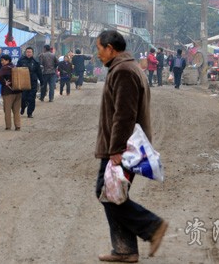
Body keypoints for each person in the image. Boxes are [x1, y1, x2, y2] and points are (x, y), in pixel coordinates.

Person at [94, 30, 168, 262]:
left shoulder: (124, 71)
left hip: (123, 148)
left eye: (99, 49)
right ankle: (125, 249)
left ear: (110, 48)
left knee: (107, 192)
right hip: (122, 146)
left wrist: (116, 150)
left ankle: (152, 226)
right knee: (113, 194)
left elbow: (124, 115)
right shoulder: (124, 68)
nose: (97, 54)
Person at [0, 54, 22, 130]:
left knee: (7, 110)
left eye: (3, 60)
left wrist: (4, 83)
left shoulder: (4, 68)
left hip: (8, 92)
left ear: (7, 60)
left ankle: (8, 126)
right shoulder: (15, 67)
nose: (1, 62)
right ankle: (17, 126)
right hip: (18, 91)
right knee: (16, 111)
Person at [17, 47, 43, 118]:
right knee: (23, 97)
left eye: (30, 52)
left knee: (32, 98)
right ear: (25, 52)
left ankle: (30, 113)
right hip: (23, 82)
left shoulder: (35, 61)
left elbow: (39, 72)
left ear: (32, 53)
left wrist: (42, 81)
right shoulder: (21, 60)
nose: (28, 53)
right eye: (27, 52)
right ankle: (23, 107)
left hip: (33, 82)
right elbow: (17, 70)